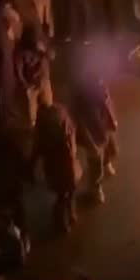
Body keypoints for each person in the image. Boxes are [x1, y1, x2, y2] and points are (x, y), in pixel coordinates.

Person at [33, 102, 81, 234]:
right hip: (65, 162)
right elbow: (72, 130)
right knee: (68, 190)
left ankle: (64, 218)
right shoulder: (61, 114)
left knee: (64, 192)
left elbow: (38, 148)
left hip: (59, 164)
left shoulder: (44, 124)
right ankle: (66, 217)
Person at [72, 76, 118, 204]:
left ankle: (106, 164)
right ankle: (96, 188)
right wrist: (90, 144)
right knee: (96, 163)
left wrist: (113, 120)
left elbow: (107, 104)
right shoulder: (84, 99)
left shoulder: (100, 88)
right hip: (95, 134)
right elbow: (81, 124)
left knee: (107, 151)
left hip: (101, 129)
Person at [0, 1, 23, 129]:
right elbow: (15, 35)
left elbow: (17, 36)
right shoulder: (1, 22)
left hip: (8, 55)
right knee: (5, 86)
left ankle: (9, 111)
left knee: (10, 85)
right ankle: (5, 117)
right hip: (4, 57)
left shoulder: (5, 21)